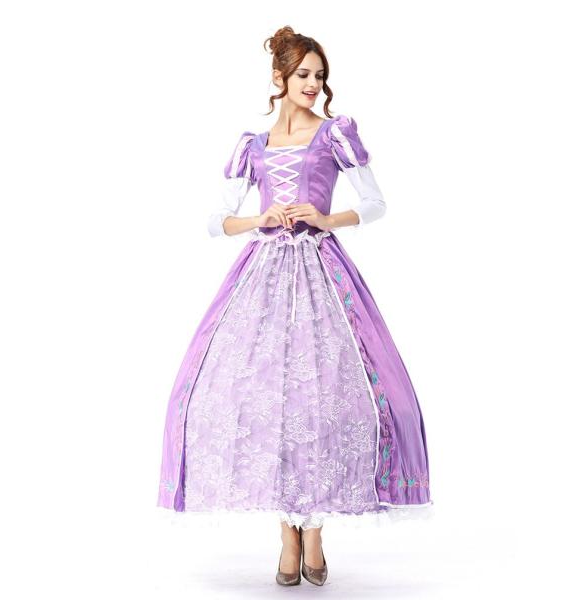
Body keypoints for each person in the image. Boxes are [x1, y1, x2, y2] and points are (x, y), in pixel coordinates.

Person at [156, 26, 433, 587]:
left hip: (322, 272)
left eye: (320, 75)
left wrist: (327, 218)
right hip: (261, 276)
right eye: (303, 74)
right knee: (270, 400)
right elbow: (215, 221)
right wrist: (258, 218)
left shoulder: (334, 135)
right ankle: (288, 533)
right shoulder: (252, 146)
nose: (313, 84)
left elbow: (376, 203)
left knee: (321, 399)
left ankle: (315, 529)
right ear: (278, 77)